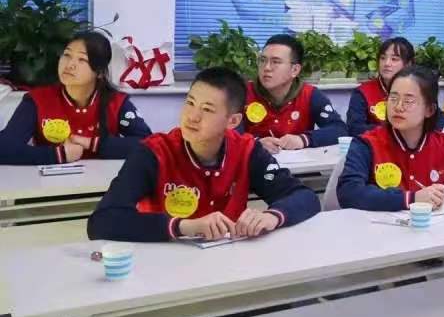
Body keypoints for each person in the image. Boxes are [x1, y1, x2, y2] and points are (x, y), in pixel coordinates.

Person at [86, 67, 320, 242]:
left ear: (233, 121)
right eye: (190, 103)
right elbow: (102, 221)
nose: (192, 116)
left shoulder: (247, 151)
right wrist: (183, 226)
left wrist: (272, 216)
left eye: (207, 109)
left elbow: (304, 197)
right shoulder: (154, 152)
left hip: (228, 261)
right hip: (164, 262)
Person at [337, 66, 444, 210]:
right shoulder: (366, 144)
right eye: (393, 98)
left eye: (408, 101)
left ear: (429, 110)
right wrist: (411, 198)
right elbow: (348, 192)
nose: (398, 107)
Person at [0, 32, 151, 165]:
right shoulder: (37, 100)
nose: (70, 65)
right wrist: (58, 154)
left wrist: (93, 143)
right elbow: (5, 148)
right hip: (50, 185)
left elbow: (149, 144)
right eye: (67, 55)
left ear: (99, 72)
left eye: (82, 60)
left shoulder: (116, 102)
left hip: (106, 184)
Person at [242, 34, 347, 153]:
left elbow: (339, 129)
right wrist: (255, 143)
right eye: (262, 60)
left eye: (275, 62)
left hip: (300, 164)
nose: (266, 67)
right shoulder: (243, 93)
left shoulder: (310, 95)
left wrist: (303, 139)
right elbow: (228, 132)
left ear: (295, 70)